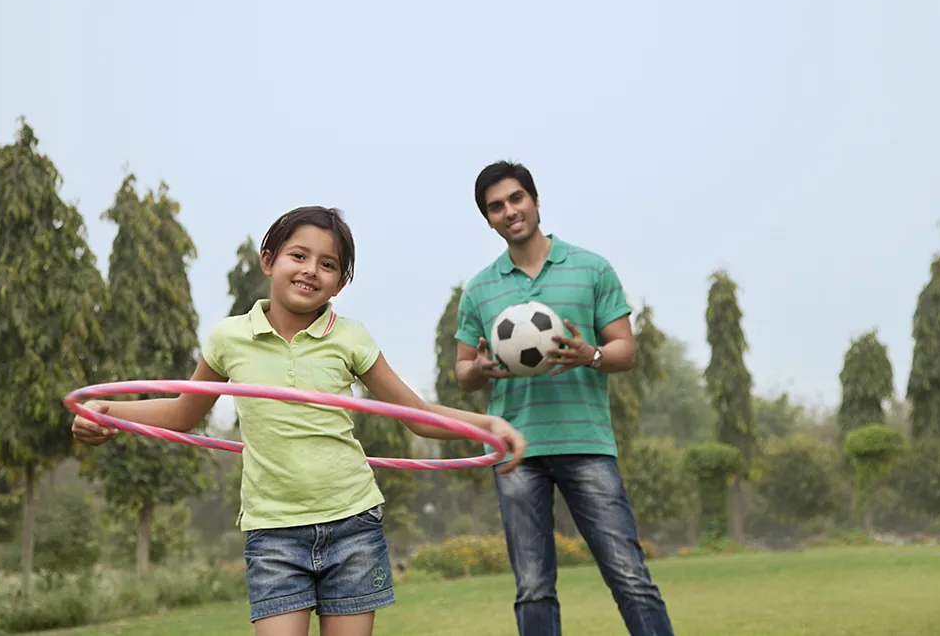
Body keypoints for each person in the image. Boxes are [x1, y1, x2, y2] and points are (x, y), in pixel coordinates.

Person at [71, 205, 527, 636]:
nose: (311, 270)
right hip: (273, 532)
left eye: (328, 264)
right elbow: (180, 412)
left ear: (340, 283)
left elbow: (417, 415)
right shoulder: (229, 338)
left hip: (352, 522)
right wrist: (108, 412)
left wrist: (489, 425)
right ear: (268, 260)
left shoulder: (349, 337)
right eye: (299, 256)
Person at [454, 161, 675, 636]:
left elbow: (625, 350)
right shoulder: (479, 289)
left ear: (535, 201)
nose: (510, 211)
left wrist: (589, 354)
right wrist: (479, 369)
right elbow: (463, 371)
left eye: (517, 198)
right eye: (496, 207)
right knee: (533, 587)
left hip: (586, 443)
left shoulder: (591, 268)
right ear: (488, 219)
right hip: (516, 452)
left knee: (630, 577)